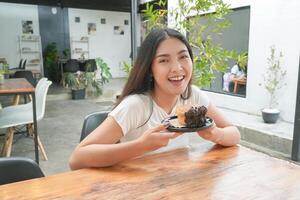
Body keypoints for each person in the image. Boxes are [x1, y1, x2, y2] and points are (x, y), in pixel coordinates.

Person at [69, 28, 240, 170]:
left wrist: (215, 133)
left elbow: (234, 134)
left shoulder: (192, 96)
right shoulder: (136, 106)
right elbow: (78, 159)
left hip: (179, 185)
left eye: (183, 57)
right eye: (164, 60)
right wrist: (141, 145)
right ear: (150, 69)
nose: (177, 68)